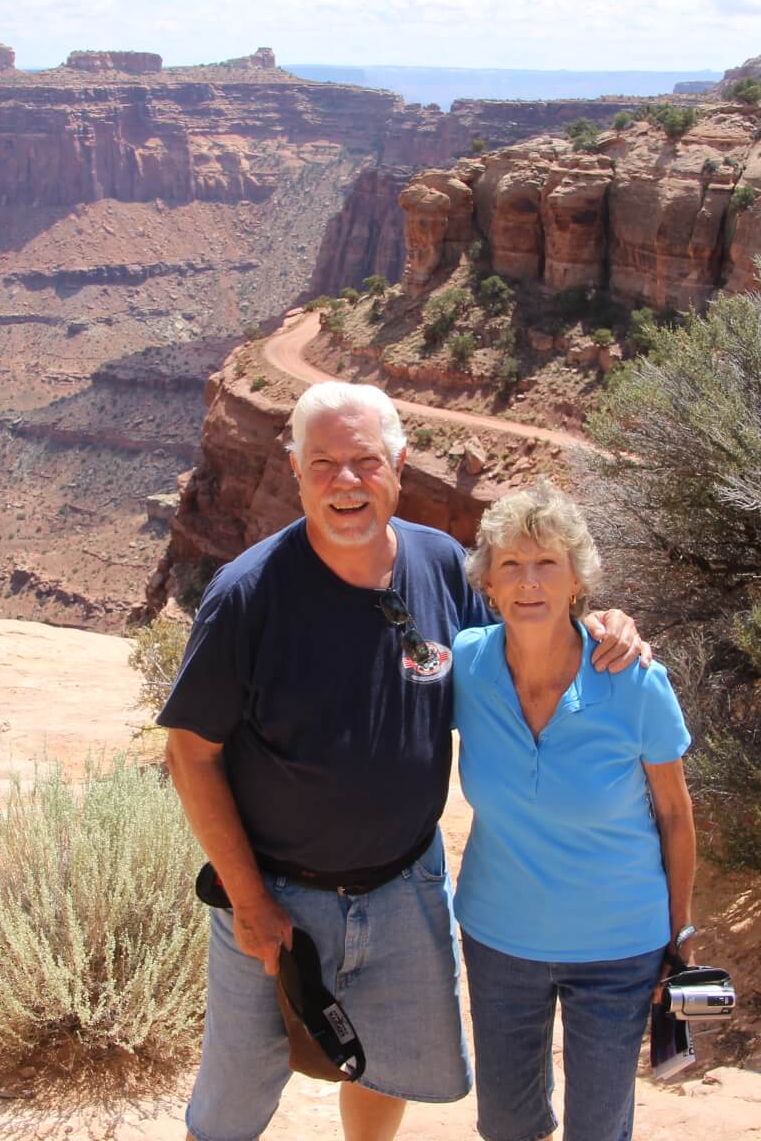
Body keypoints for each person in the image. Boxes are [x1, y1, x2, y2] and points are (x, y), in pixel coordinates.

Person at [158, 382, 648, 1141]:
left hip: (404, 887)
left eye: (364, 461)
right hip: (273, 896)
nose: (345, 482)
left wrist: (606, 627)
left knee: (382, 1067)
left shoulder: (445, 568)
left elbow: (532, 639)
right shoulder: (248, 595)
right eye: (323, 462)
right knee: (232, 1100)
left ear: (399, 463)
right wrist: (250, 900)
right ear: (294, 469)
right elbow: (190, 753)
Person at [452, 482, 697, 1141]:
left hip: (617, 949)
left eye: (546, 564)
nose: (528, 582)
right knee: (507, 1125)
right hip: (499, 939)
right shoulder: (467, 665)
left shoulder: (633, 678)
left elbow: (674, 813)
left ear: (575, 581)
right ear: (490, 584)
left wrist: (678, 936)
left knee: (598, 1129)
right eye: (511, 565)